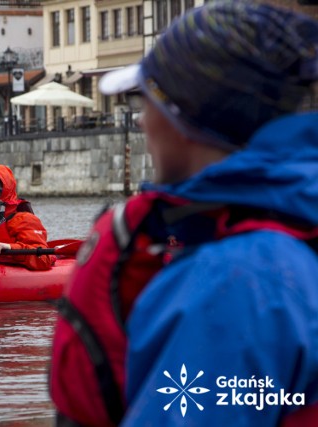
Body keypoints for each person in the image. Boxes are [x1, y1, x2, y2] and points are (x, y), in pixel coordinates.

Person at [50, 1, 318, 426]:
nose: (140, 121)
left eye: (147, 100)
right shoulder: (282, 239)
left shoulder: (237, 281)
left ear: (180, 120)